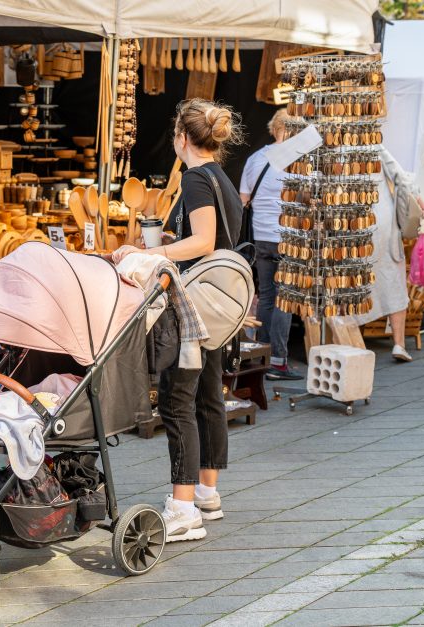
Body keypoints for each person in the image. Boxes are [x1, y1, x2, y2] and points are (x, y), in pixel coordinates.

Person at [112, 98, 243, 542]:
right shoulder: (222, 178)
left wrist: (151, 252)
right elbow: (215, 239)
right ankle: (207, 493)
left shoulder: (194, 179)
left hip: (193, 308)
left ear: (182, 139)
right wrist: (171, 241)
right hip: (218, 305)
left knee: (176, 401)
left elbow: (204, 241)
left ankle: (182, 508)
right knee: (208, 396)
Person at [239, 110, 302, 380]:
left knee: (266, 295)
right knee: (285, 299)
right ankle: (278, 361)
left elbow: (243, 199)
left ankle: (261, 357)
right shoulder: (297, 161)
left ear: (273, 128)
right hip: (289, 238)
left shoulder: (255, 159)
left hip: (262, 237)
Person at [353, 146, 414, 362]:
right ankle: (399, 344)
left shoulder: (332, 146)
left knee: (353, 284)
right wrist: (402, 213)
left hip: (351, 224)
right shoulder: (373, 145)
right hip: (383, 222)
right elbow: (403, 180)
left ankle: (353, 344)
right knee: (393, 280)